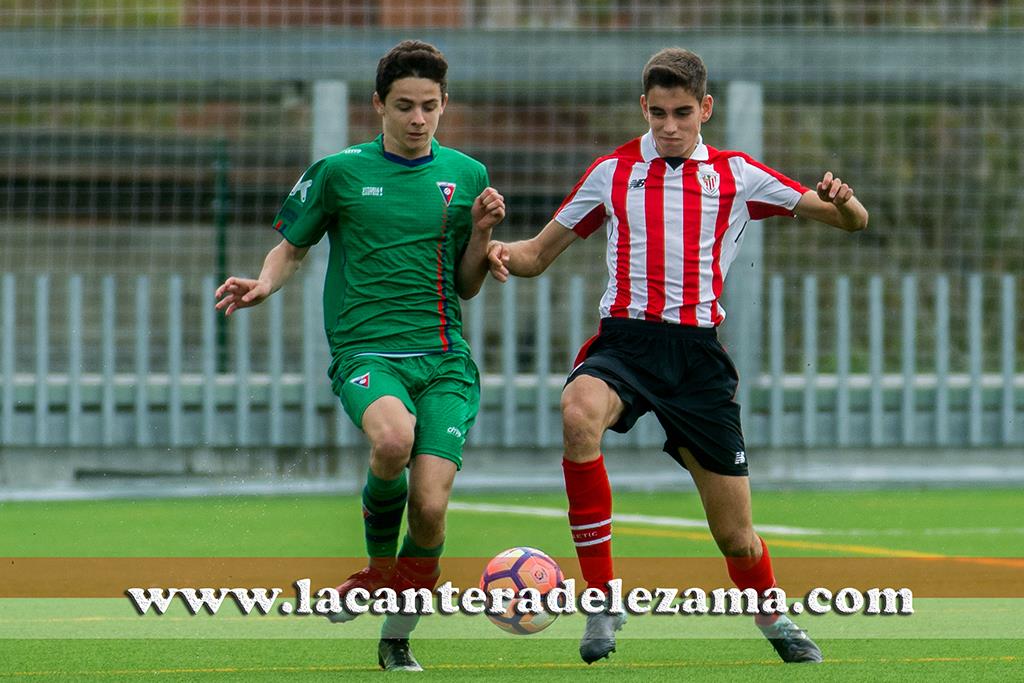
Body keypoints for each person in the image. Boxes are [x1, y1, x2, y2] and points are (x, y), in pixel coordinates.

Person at [487, 47, 867, 665]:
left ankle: (774, 621)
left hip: (696, 359)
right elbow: (536, 254)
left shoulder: (737, 174)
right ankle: (603, 598)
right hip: (626, 343)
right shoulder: (611, 172)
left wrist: (844, 200)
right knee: (579, 412)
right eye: (657, 112)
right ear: (643, 108)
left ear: (705, 110)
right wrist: (496, 247)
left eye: (682, 113)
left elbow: (852, 221)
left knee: (736, 537)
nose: (668, 125)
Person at [215, 40, 505, 672]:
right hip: (367, 350)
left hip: (445, 358)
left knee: (429, 507)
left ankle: (397, 636)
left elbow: (466, 284)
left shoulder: (469, 176)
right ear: (378, 104)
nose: (418, 119)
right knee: (393, 440)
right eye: (404, 105)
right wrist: (264, 282)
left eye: (430, 106)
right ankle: (377, 570)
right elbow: (290, 248)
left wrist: (483, 236)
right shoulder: (339, 171)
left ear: (444, 104)